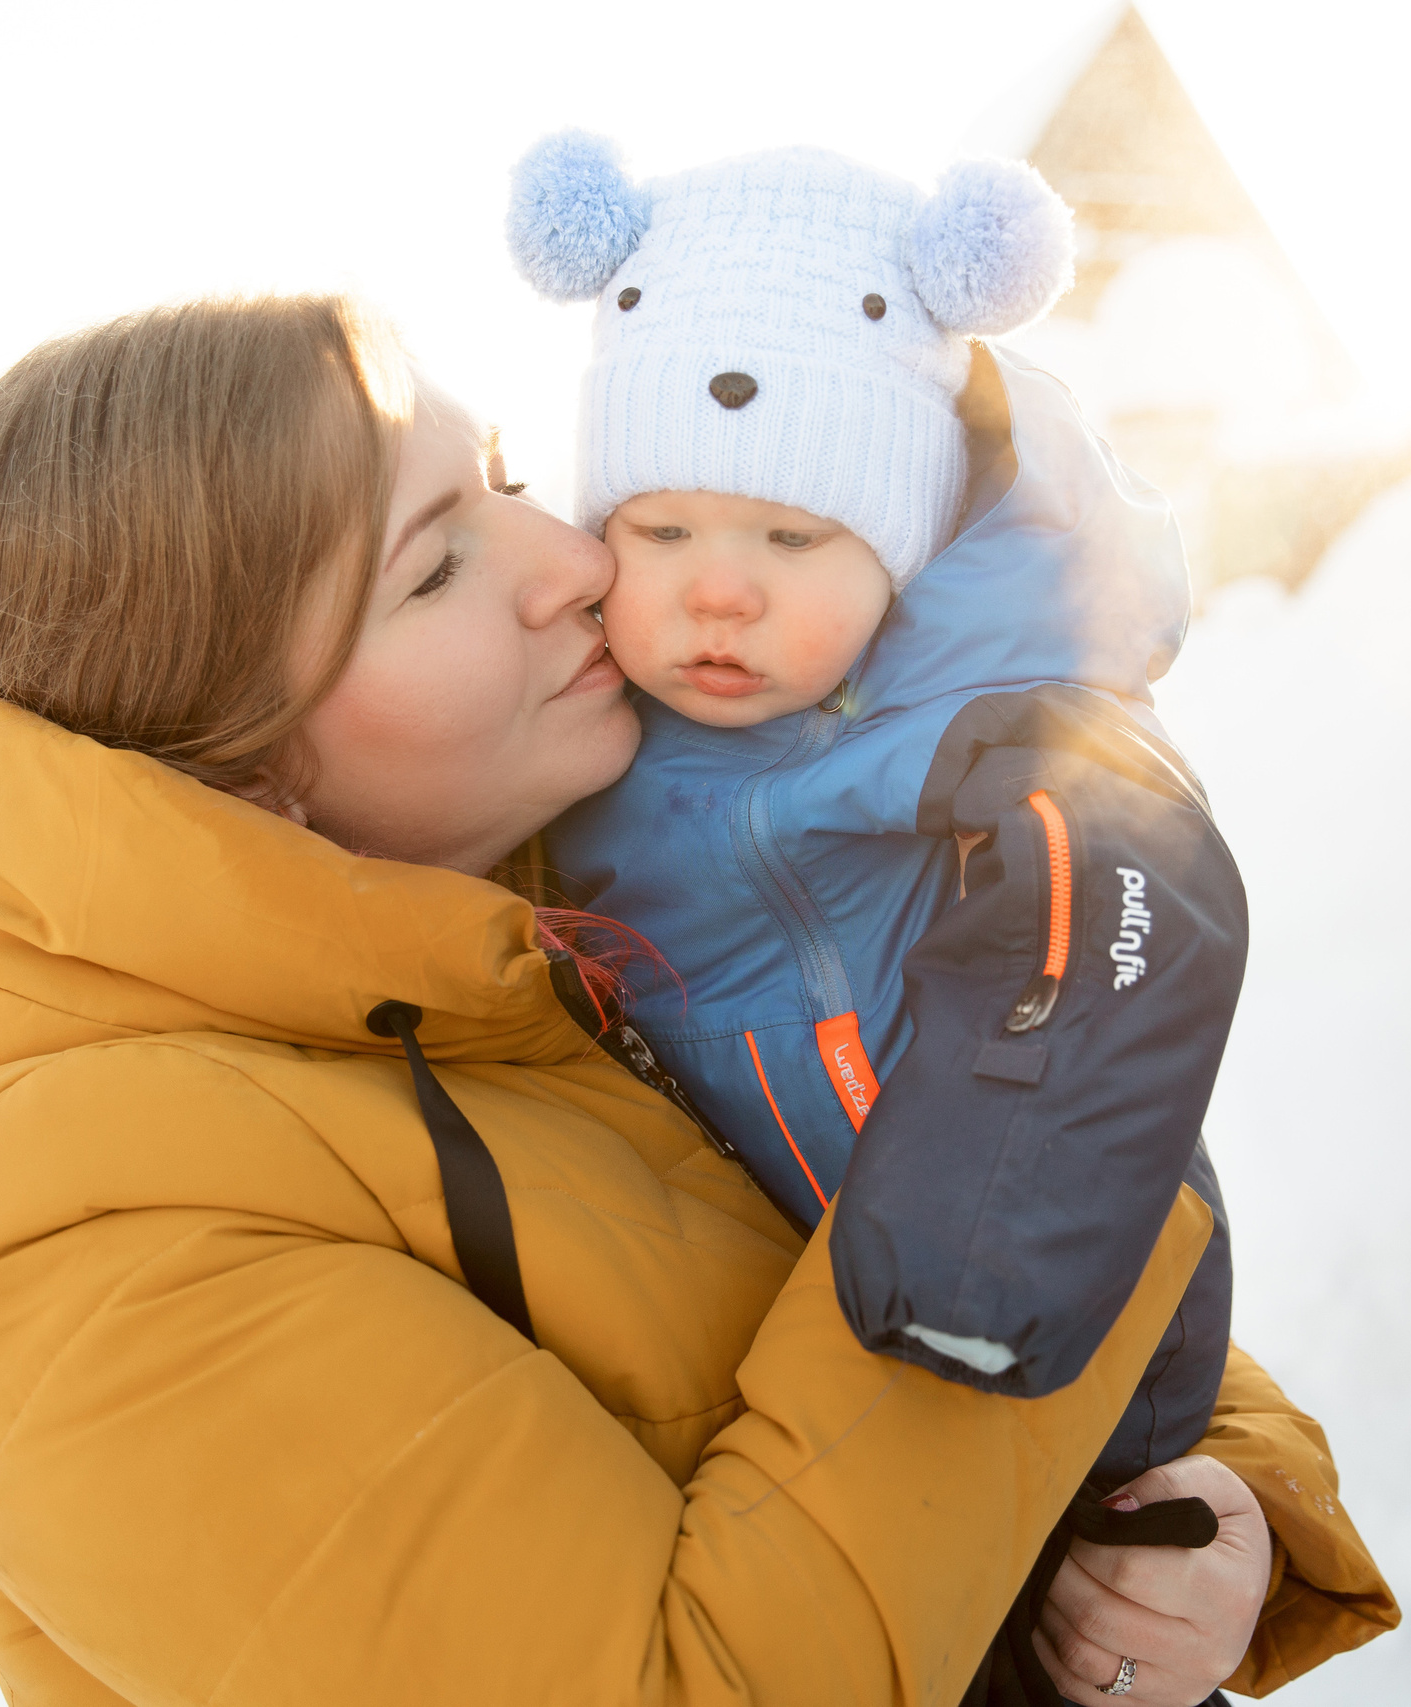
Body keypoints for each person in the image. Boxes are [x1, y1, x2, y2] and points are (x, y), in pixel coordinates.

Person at [0, 293, 1398, 1706]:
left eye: (510, 478)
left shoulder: (560, 904)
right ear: (244, 765)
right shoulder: (84, 1252)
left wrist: (1220, 1493)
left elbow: (859, 1189)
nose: (578, 562)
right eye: (438, 568)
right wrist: (1034, 1156)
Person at [514, 135, 1250, 1703]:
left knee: (1094, 1625)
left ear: (900, 557)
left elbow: (1131, 919)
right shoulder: (565, 738)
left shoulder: (976, 726)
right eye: (661, 530)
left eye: (794, 541)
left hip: (1039, 1278)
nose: (719, 595)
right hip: (790, 1379)